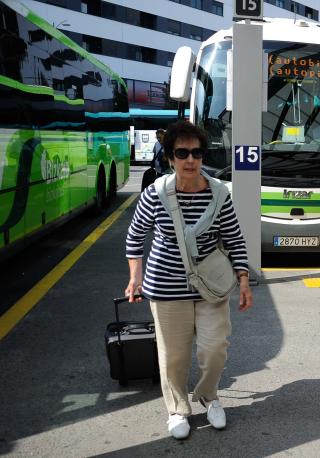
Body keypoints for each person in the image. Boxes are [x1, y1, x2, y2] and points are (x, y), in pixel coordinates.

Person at [125, 121, 253, 439]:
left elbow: (235, 240)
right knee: (174, 355)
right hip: (166, 289)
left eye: (196, 152)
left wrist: (245, 280)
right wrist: (134, 279)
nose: (190, 160)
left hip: (210, 288)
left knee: (215, 349)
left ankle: (209, 396)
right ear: (170, 157)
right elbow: (134, 237)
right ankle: (178, 409)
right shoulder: (155, 195)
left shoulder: (220, 195)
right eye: (182, 153)